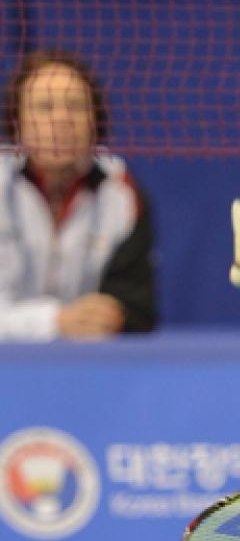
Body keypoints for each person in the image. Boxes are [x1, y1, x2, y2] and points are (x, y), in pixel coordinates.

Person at [0, 49, 158, 341]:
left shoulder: (123, 195)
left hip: (87, 366)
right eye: (45, 107)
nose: (62, 120)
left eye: (75, 106)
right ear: (16, 122)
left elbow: (138, 308)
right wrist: (54, 322)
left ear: (94, 122)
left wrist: (113, 315)